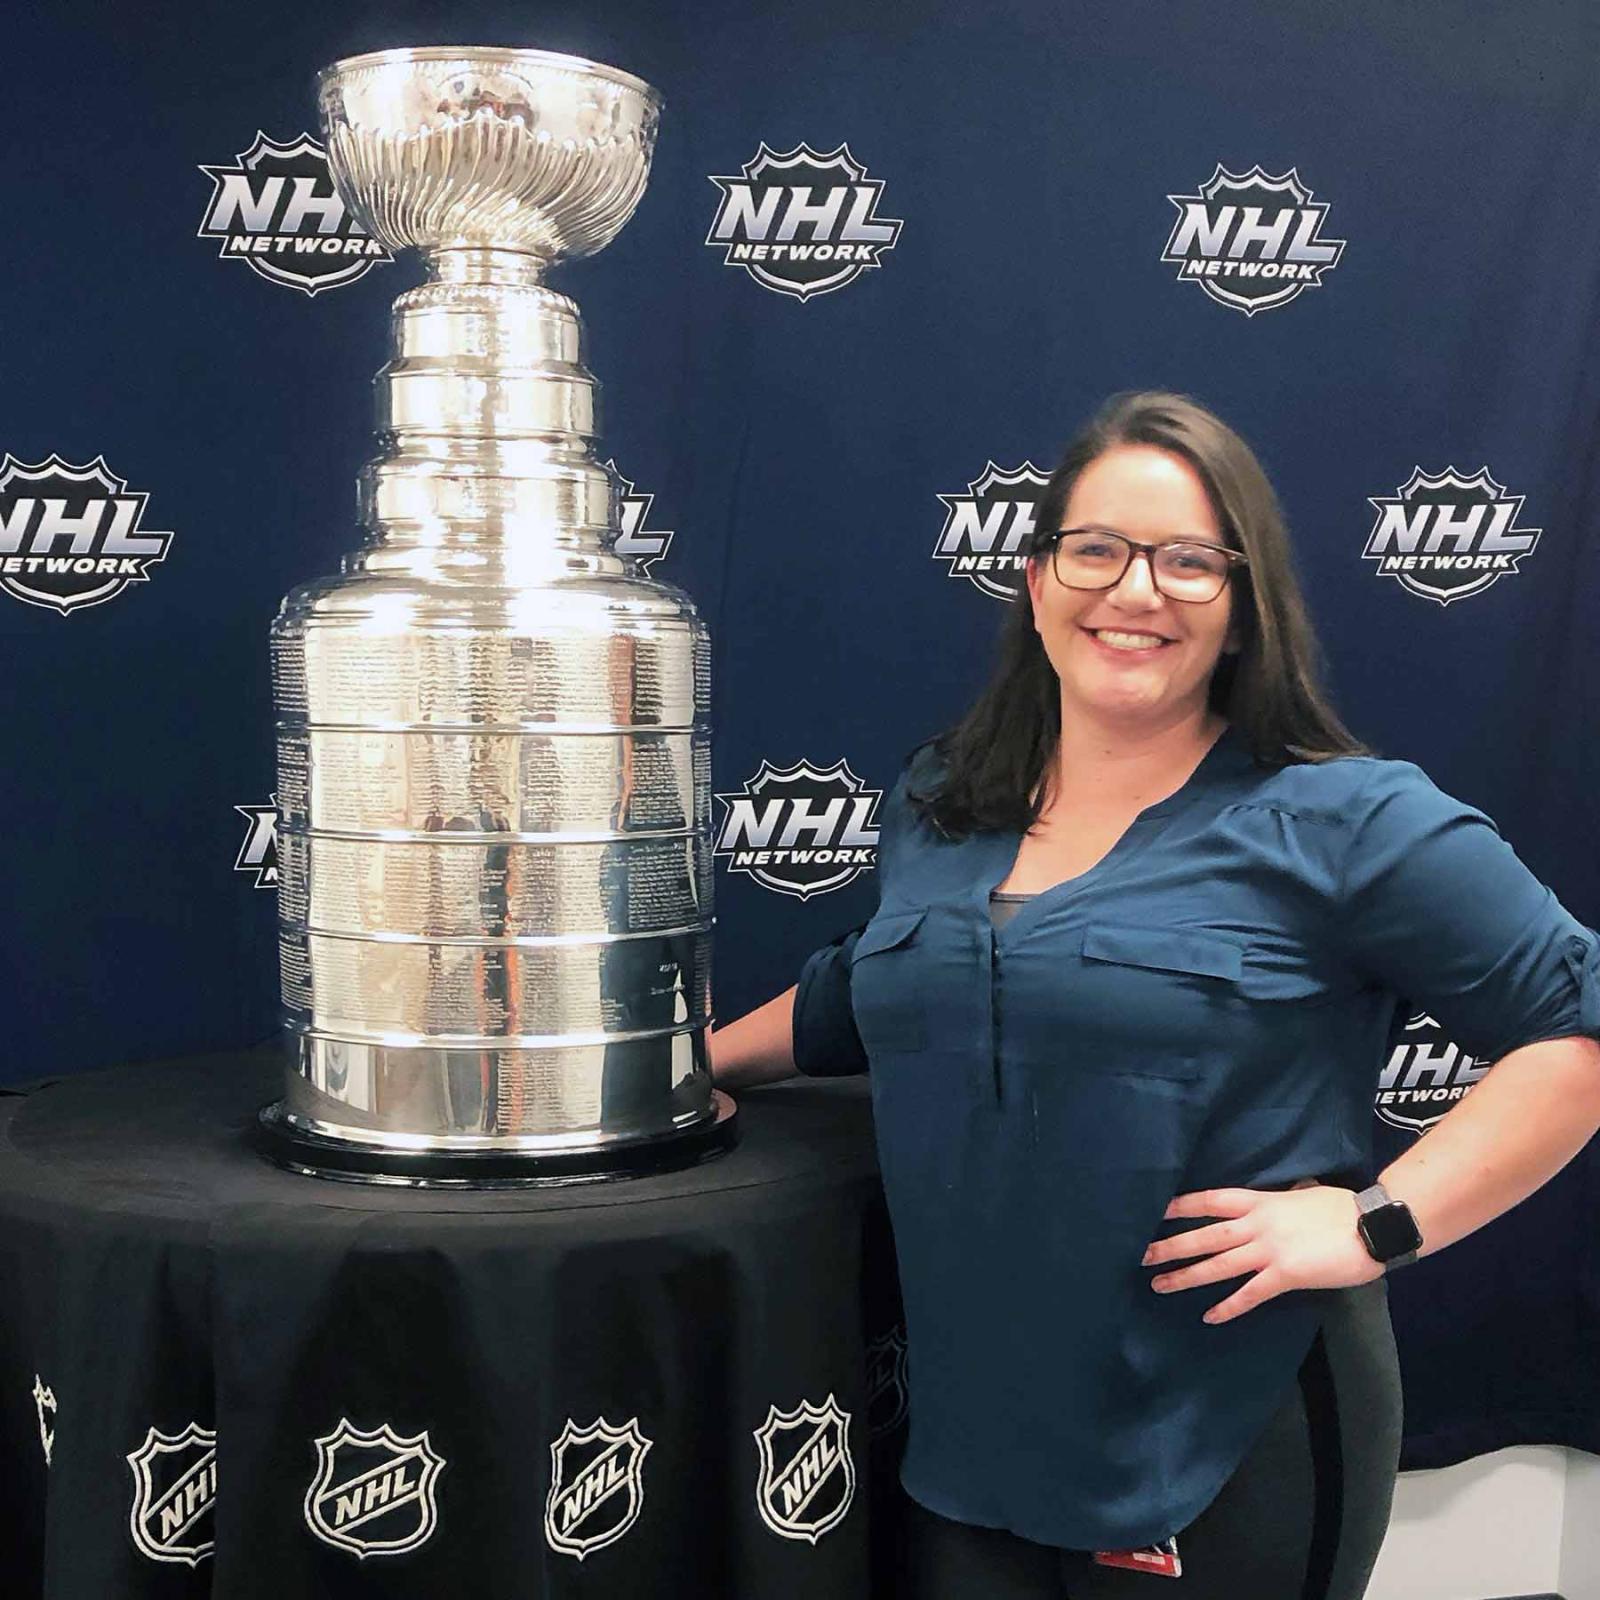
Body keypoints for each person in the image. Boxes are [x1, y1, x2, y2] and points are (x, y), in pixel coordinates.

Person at [708, 391, 1600, 1600]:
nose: (1136, 590)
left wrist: (1374, 1223)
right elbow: (870, 990)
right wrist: (687, 1067)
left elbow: (1575, 1030)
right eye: (1097, 549)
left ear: (1242, 607)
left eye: (1190, 560)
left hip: (1225, 1435)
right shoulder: (942, 799)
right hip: (970, 1448)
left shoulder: (1348, 819)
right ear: (1036, 580)